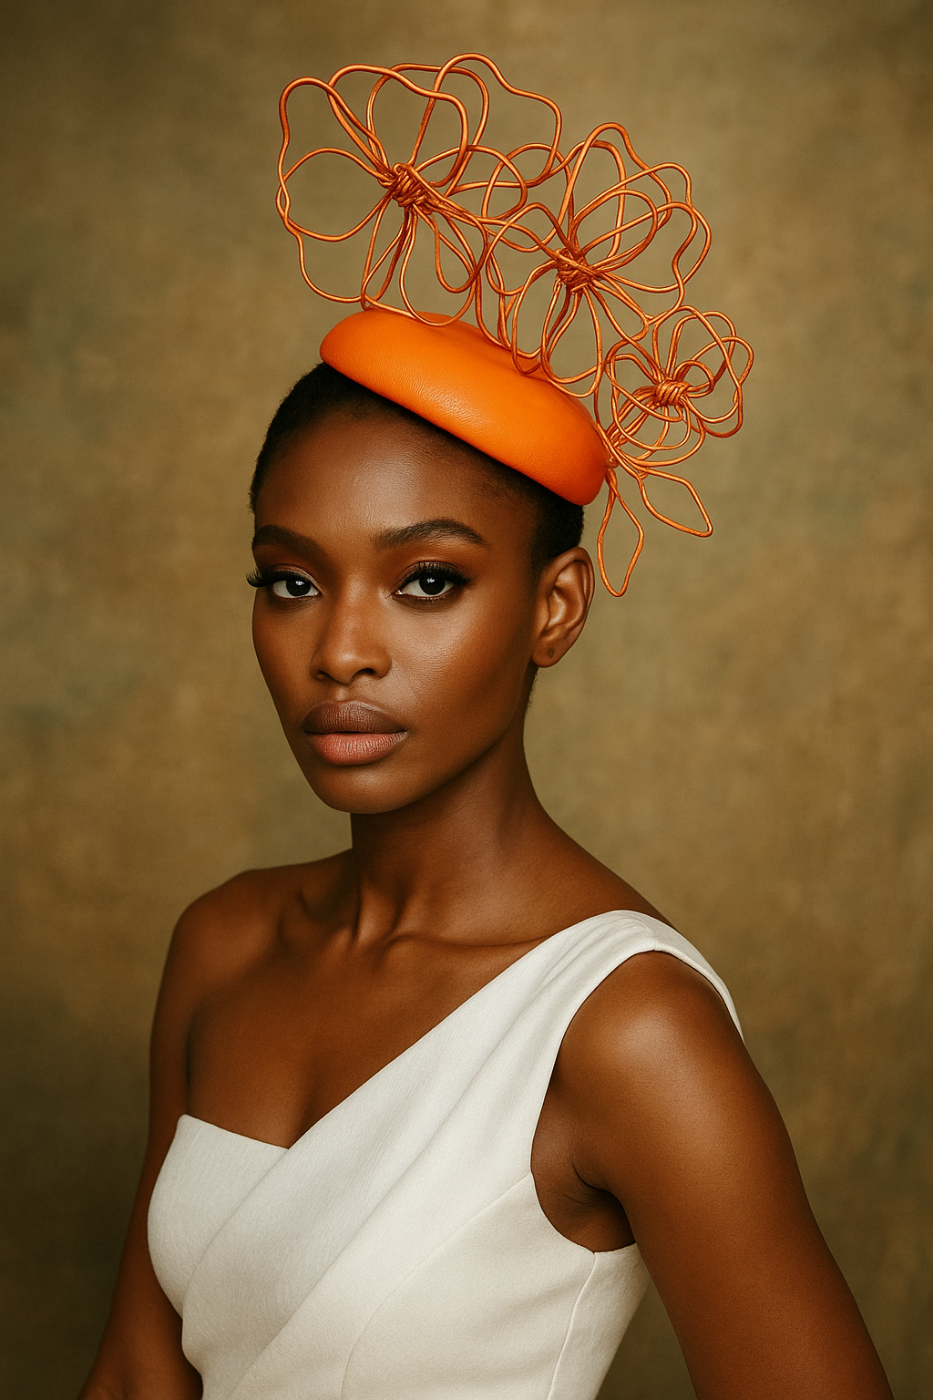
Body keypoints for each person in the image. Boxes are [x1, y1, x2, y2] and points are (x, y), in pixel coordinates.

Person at [79, 57, 894, 1400]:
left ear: (554, 607)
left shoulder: (628, 1031)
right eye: (292, 579)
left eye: (428, 581)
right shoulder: (222, 945)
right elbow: (134, 1369)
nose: (340, 647)